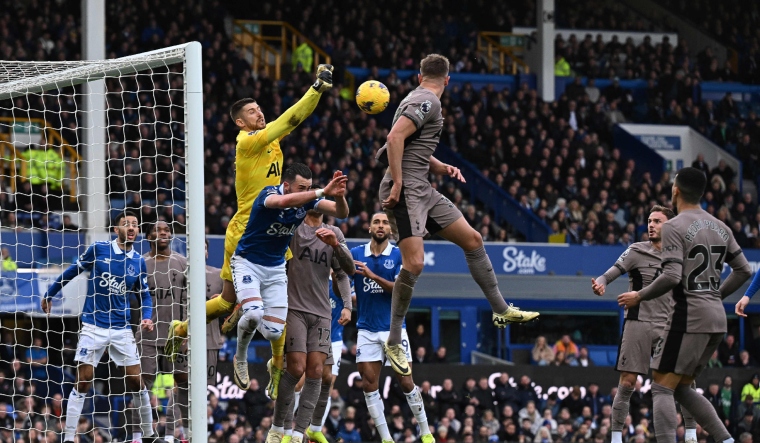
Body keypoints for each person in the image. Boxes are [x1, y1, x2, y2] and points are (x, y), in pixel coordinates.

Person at [165, 64, 335, 399]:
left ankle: (276, 365)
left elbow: (293, 120)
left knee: (271, 302)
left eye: (259, 108)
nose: (258, 113)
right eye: (250, 111)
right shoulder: (249, 142)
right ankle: (182, 328)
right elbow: (288, 121)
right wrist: (317, 87)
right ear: (240, 122)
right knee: (229, 302)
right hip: (247, 230)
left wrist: (316, 94)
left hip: (276, 227)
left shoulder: (269, 139)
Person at [375, 53, 538, 376]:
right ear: (448, 80)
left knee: (473, 239)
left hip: (423, 189)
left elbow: (407, 143)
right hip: (407, 191)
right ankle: (393, 339)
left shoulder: (417, 97)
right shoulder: (428, 102)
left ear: (420, 75)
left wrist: (439, 166)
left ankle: (500, 309)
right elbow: (393, 139)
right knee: (415, 263)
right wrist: (398, 182)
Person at [617, 167, 752, 443]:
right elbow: (744, 270)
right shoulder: (722, 226)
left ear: (675, 190)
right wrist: (716, 296)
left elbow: (671, 276)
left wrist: (639, 296)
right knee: (681, 388)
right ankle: (727, 440)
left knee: (661, 388)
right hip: (717, 320)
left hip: (688, 317)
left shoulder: (674, 227)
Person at [228, 163, 349, 391]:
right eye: (302, 187)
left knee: (274, 331)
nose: (306, 191)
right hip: (248, 263)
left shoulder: (308, 201)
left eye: (309, 187)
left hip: (275, 268)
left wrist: (339, 196)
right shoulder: (269, 194)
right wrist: (322, 191)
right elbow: (283, 203)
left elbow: (341, 213)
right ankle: (240, 358)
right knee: (254, 315)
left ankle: (246, 305)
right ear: (286, 185)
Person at [41, 211, 154, 443]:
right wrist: (51, 292)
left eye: (134, 224)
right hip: (93, 325)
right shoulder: (99, 249)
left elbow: (145, 296)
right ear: (116, 230)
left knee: (136, 381)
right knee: (84, 379)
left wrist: (147, 316)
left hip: (122, 328)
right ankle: (69, 437)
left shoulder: (138, 261)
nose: (131, 228)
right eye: (126, 224)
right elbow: (73, 270)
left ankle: (150, 435)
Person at [592, 205, 699, 443]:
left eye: (657, 221)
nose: (651, 225)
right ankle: (617, 438)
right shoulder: (636, 250)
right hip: (638, 323)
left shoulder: (683, 254)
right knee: (628, 382)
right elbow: (609, 273)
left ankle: (691, 434)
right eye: (649, 220)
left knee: (684, 380)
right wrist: (601, 283)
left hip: (670, 325)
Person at [267, 209, 354, 443]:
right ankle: (278, 428)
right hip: (294, 307)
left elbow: (347, 271)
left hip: (322, 313)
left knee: (317, 372)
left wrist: (347, 304)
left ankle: (298, 434)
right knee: (296, 370)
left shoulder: (335, 232)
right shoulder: (294, 228)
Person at [349, 212, 434, 443]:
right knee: (368, 384)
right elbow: (345, 285)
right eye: (376, 222)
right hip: (366, 329)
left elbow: (399, 290)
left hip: (393, 329)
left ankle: (425, 431)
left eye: (385, 222)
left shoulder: (399, 256)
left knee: (406, 381)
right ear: (369, 227)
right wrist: (349, 299)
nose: (381, 225)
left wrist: (371, 275)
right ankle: (386, 438)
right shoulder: (355, 254)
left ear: (391, 230)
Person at [131, 220, 190, 443]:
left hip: (176, 336)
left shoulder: (182, 263)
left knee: (180, 384)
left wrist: (186, 330)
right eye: (158, 230)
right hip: (148, 335)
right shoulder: (139, 263)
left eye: (166, 230)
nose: (163, 233)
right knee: (141, 383)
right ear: (148, 236)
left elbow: (189, 301)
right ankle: (138, 435)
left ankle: (173, 436)